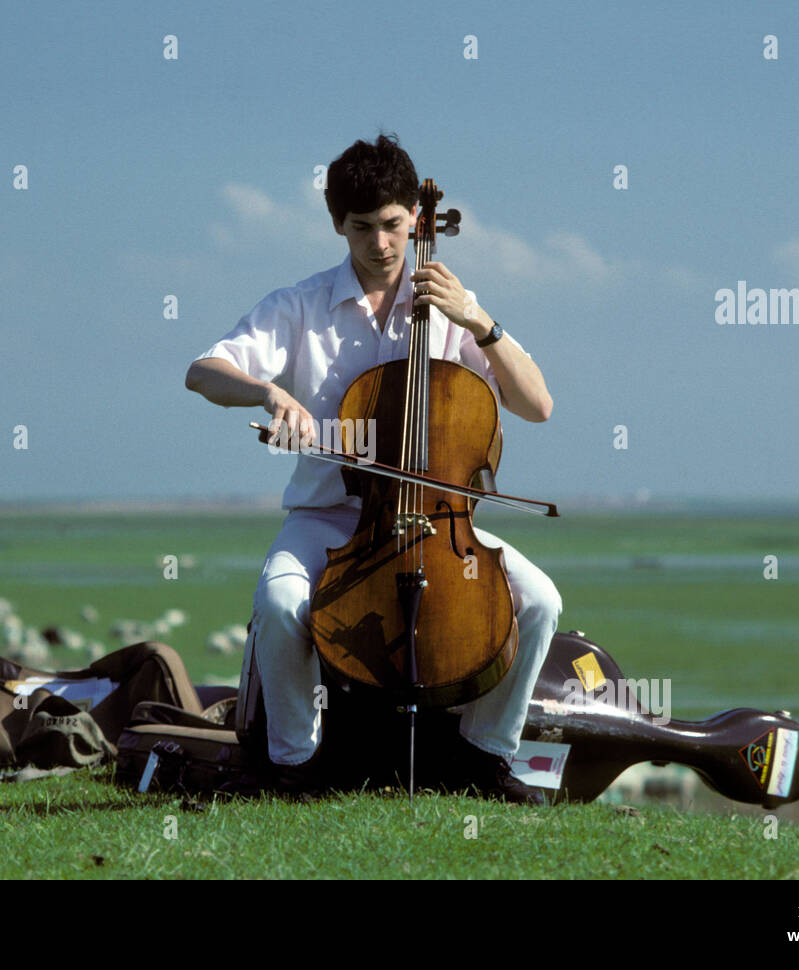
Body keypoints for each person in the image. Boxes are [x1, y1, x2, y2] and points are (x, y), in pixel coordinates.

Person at [185, 134, 562, 803]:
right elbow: (204, 372)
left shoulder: (454, 310)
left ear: (416, 219)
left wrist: (480, 323)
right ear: (338, 224)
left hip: (441, 525)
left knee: (538, 603)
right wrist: (269, 392)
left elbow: (536, 405)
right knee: (279, 605)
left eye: (393, 225)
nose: (381, 244)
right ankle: (293, 765)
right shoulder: (299, 306)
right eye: (363, 228)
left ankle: (482, 759)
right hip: (329, 516)